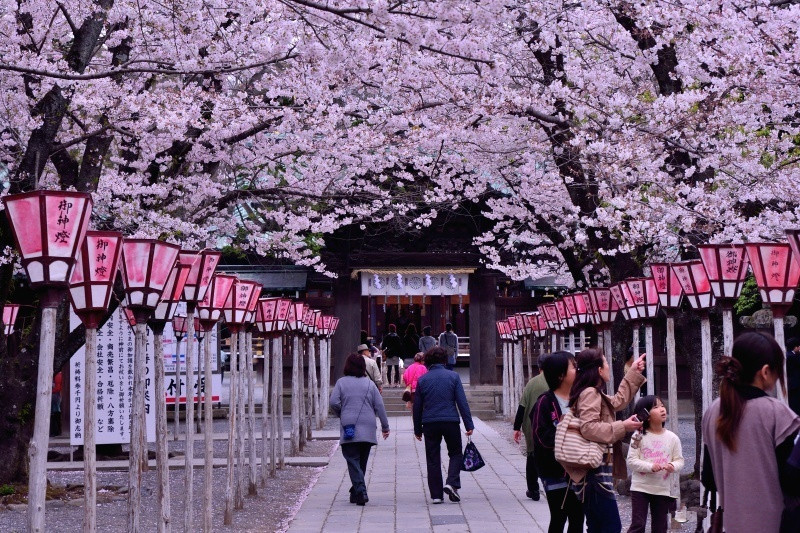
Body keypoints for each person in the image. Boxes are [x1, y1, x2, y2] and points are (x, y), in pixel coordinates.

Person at [701, 332, 800, 533]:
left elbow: (709, 479)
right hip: (774, 525)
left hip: (730, 525)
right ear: (765, 371)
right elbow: (792, 482)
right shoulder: (777, 414)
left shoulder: (713, 412)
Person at [567, 348, 646, 533]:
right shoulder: (590, 393)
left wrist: (633, 372)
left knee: (598, 526)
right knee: (610, 526)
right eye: (606, 362)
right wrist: (623, 427)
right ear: (599, 370)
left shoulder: (592, 393)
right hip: (594, 473)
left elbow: (617, 401)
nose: (609, 366)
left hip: (595, 472)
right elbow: (588, 428)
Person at [531, 351, 585, 533]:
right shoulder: (545, 402)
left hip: (578, 471)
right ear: (560, 375)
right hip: (554, 471)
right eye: (573, 366)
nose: (577, 370)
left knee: (578, 518)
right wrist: (566, 436)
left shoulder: (580, 400)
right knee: (559, 516)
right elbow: (540, 435)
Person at [413, 346, 474, 504]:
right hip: (450, 420)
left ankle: (436, 495)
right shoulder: (453, 377)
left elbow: (417, 406)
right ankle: (452, 483)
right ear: (444, 360)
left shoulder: (423, 380)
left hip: (430, 422)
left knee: (433, 457)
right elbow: (462, 402)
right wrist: (469, 423)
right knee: (455, 453)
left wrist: (417, 429)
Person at [329, 353, 390, 506]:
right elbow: (379, 406)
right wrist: (385, 427)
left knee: (352, 459)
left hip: (349, 425)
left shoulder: (341, 383)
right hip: (368, 426)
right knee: (361, 461)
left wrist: (342, 414)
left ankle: (361, 490)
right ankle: (355, 491)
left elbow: (334, 403)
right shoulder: (370, 384)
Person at [626, 395, 684, 533]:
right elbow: (631, 461)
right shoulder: (638, 436)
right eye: (656, 407)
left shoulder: (672, 438)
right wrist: (650, 467)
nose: (662, 409)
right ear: (646, 414)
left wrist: (673, 466)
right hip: (640, 488)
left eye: (662, 406)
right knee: (638, 525)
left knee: (660, 527)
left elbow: (680, 460)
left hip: (662, 488)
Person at [513, 355, 550, 501]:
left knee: (532, 455)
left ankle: (533, 490)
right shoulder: (557, 380)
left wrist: (516, 427)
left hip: (532, 423)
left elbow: (522, 406)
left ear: (539, 367)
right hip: (550, 424)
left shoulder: (532, 383)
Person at [787, 337, 800, 414]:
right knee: (795, 403)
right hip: (794, 384)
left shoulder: (790, 355)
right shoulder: (792, 356)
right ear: (795, 347)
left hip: (793, 383)